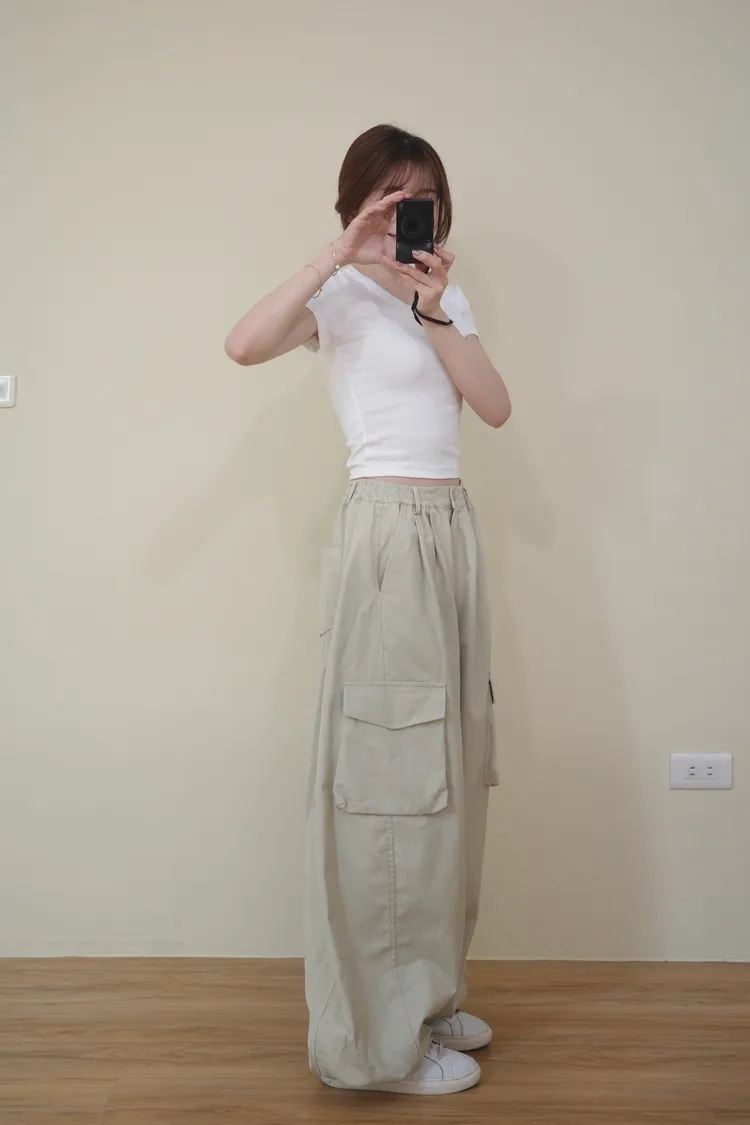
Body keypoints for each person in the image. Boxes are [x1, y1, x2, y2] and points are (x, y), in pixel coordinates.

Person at [225, 124, 511, 1096]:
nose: (403, 215)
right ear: (357, 205)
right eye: (387, 198)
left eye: (418, 198)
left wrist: (436, 312)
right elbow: (242, 344)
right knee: (392, 784)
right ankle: (378, 1047)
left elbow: (494, 407)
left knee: (449, 769)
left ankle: (426, 997)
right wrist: (337, 254)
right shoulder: (336, 296)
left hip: (450, 532)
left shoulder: (442, 299)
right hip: (387, 536)